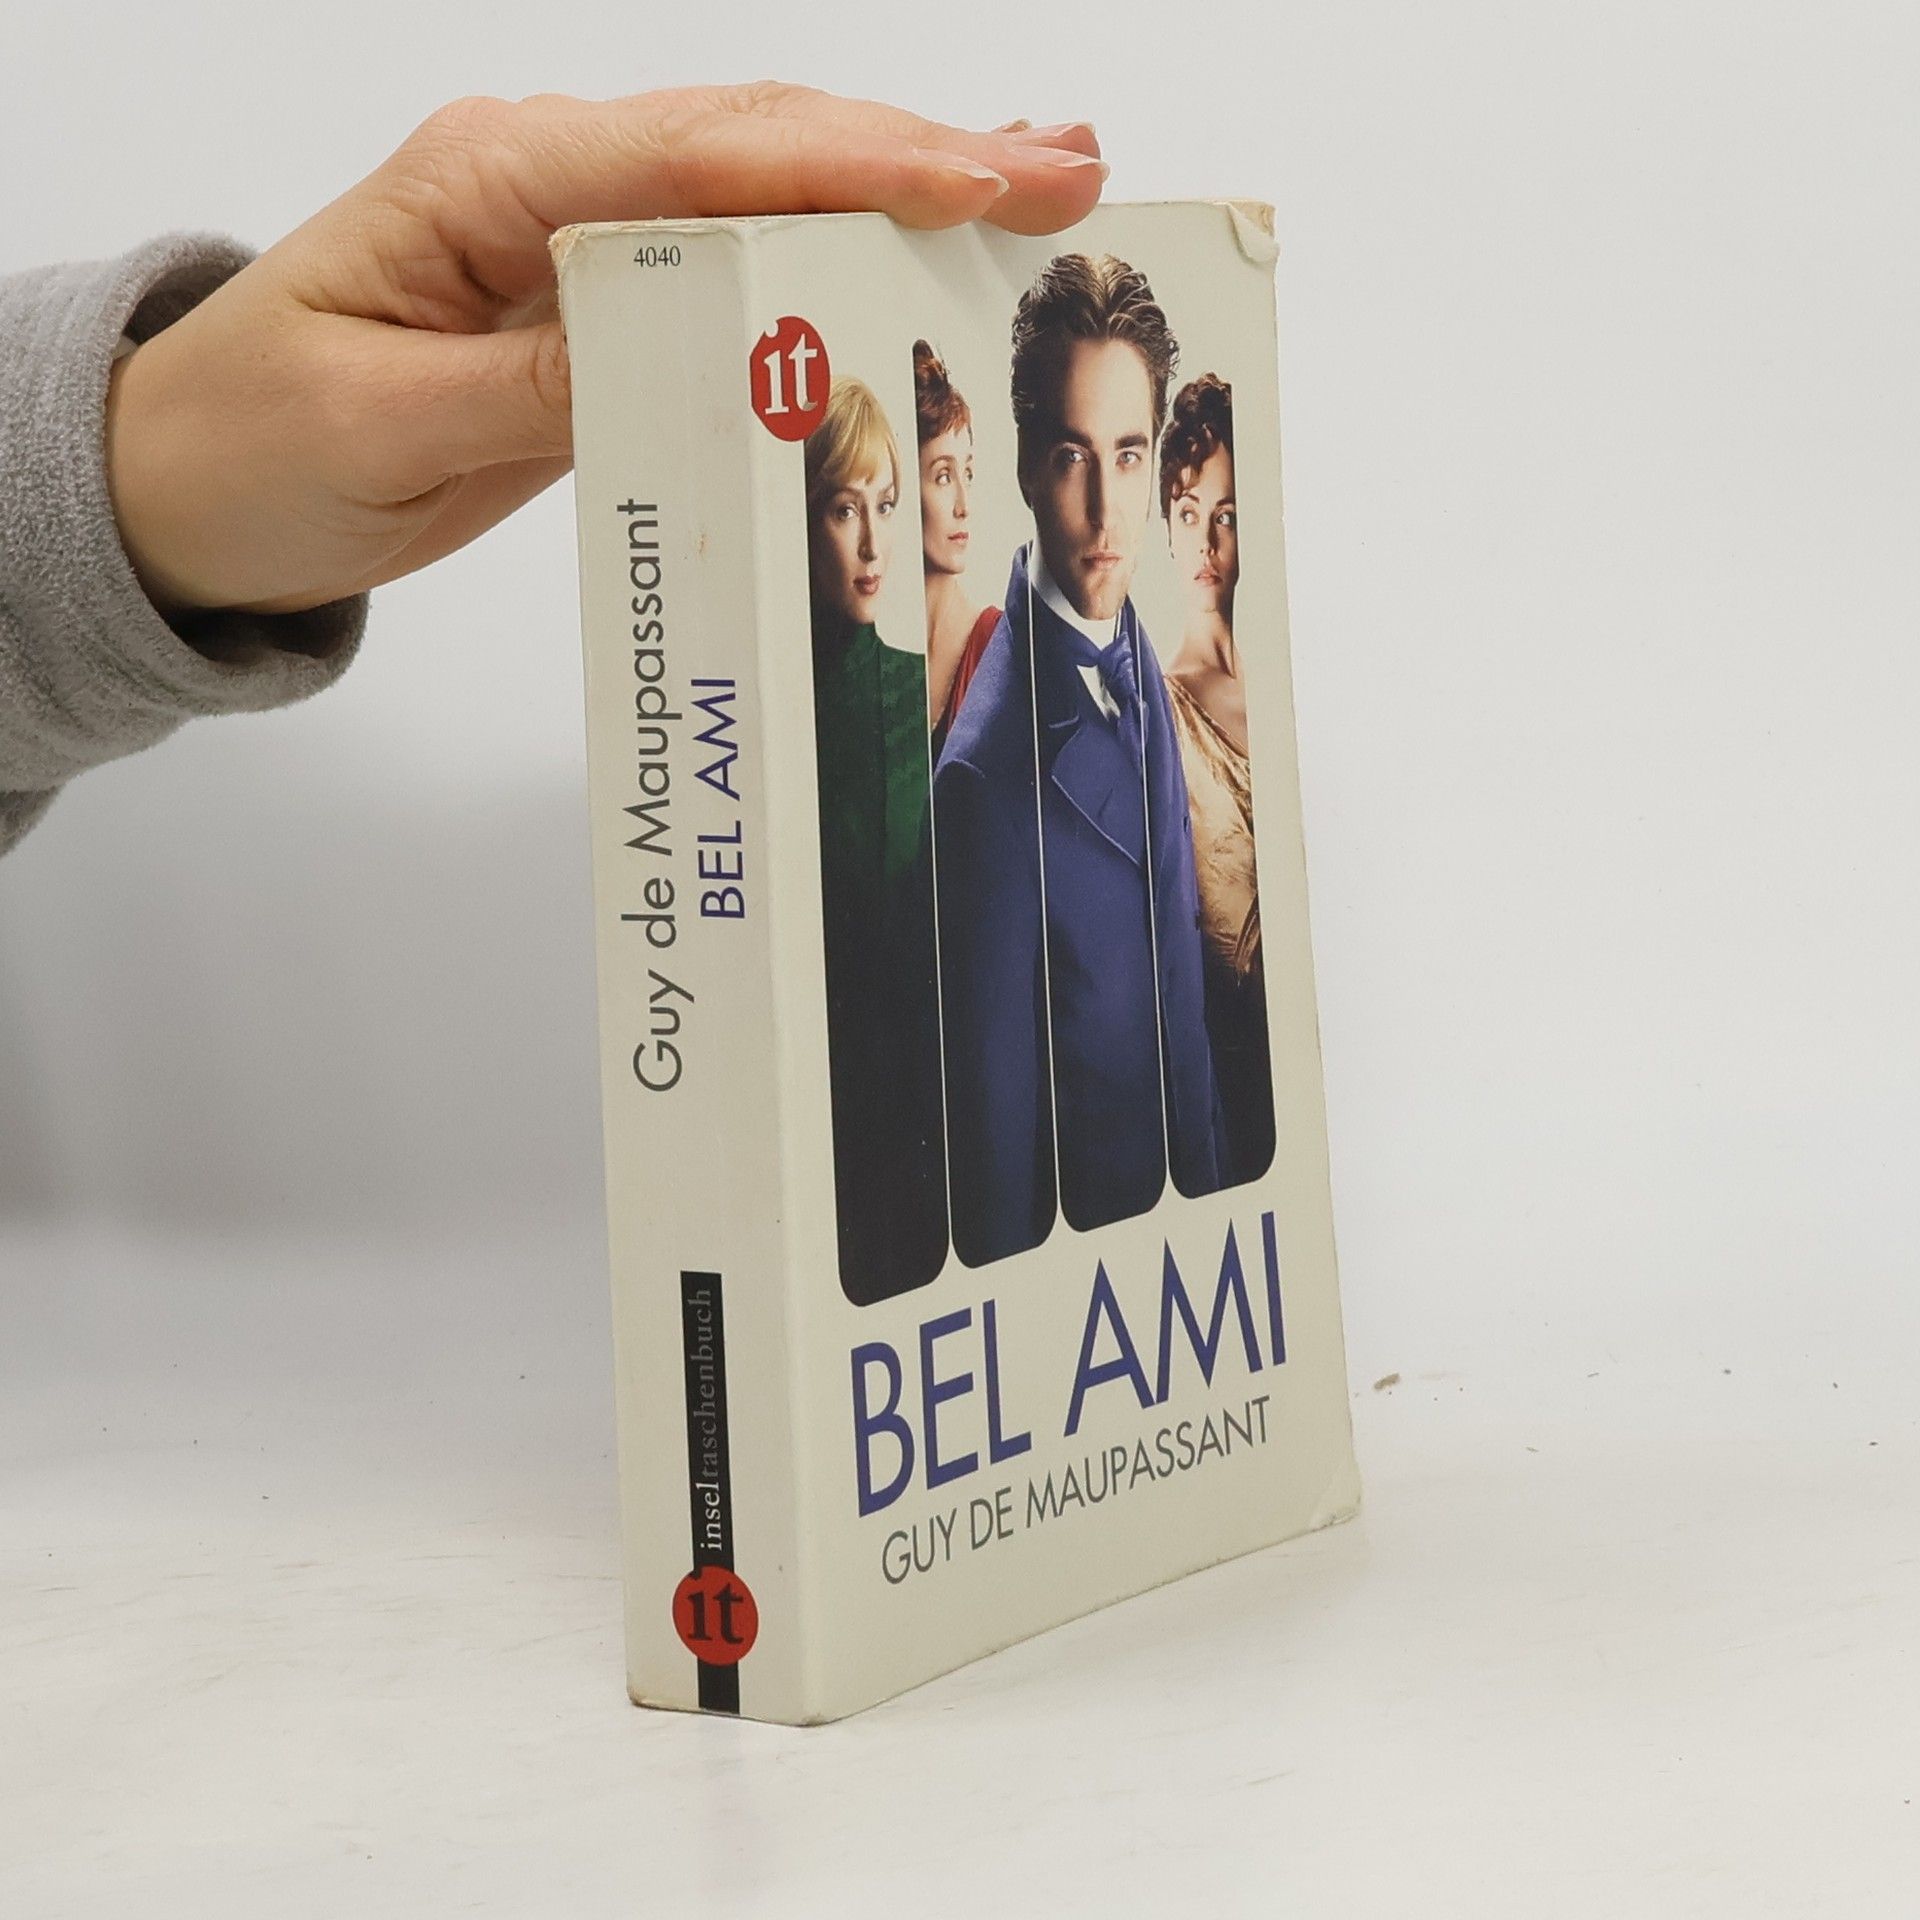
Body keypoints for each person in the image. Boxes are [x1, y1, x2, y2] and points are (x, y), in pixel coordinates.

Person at [0, 88, 1108, 856]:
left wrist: (116, 479)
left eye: (920, 487)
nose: (896, 525)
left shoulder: (1016, 678)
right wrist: (109, 482)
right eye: (852, 502)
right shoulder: (813, 688)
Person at [934, 251, 1220, 1265]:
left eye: (1129, 456)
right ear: (1023, 465)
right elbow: (998, 1176)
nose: (1106, 510)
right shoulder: (981, 783)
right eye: (1071, 457)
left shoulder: (1141, 653)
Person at [805, 378, 950, 1304]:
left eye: (887, 506)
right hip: (811, 1104)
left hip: (912, 1108)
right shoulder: (759, 708)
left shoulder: (917, 690)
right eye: (843, 509)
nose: (871, 545)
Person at [1160, 374, 1276, 1187]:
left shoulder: (1284, 679)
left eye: (1225, 516)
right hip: (1238, 1060)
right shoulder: (1163, 708)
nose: (1205, 543)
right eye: (1188, 513)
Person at [912, 339, 998, 754]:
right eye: (943, 477)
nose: (964, 505)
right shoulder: (865, 647)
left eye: (968, 473)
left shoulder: (999, 647)